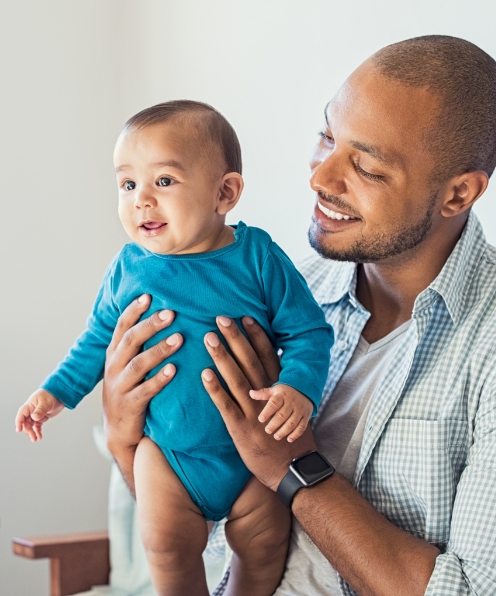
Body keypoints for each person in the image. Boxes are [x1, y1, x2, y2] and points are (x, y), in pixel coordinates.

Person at [101, 35, 496, 595]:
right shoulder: (277, 293)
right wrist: (125, 440)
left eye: (366, 167)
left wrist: (295, 468)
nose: (320, 178)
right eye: (328, 136)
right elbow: (205, 529)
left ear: (458, 194)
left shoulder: (487, 344)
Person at [14, 100, 334, 596]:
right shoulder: (128, 267)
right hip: (168, 457)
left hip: (255, 457)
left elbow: (309, 332)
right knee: (164, 546)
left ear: (224, 193)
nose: (141, 200)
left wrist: (298, 388)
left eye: (163, 181)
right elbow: (97, 340)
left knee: (265, 544)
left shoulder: (257, 256)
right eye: (127, 184)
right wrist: (54, 393)